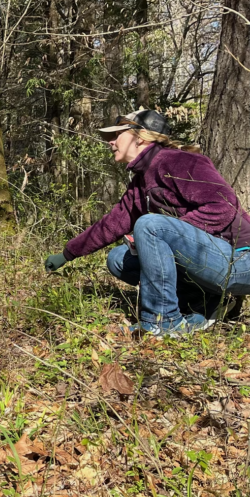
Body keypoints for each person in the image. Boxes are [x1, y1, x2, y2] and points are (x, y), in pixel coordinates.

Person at [44, 109, 250, 335]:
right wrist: (66, 254)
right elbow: (109, 225)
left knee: (150, 225)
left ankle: (162, 322)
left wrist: (167, 232)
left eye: (117, 135)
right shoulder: (140, 182)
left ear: (140, 137)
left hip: (239, 259)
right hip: (209, 262)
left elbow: (222, 206)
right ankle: (205, 303)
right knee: (118, 259)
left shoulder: (179, 161)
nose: (111, 142)